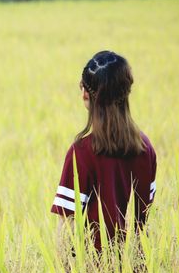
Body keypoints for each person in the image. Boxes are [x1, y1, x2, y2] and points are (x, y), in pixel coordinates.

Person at [50, 50, 157, 253]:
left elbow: (66, 227)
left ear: (85, 94)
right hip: (138, 270)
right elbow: (146, 212)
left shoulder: (81, 153)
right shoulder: (146, 148)